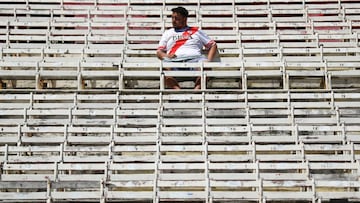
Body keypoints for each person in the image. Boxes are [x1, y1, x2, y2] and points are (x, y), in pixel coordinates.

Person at [156, 6, 218, 89]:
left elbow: (213, 45)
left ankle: (197, 92)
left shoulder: (196, 31)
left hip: (195, 60)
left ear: (184, 19)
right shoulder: (168, 33)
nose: (173, 20)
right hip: (175, 61)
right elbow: (159, 52)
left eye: (176, 18)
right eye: (172, 18)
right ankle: (178, 92)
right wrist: (167, 56)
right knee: (163, 69)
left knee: (206, 66)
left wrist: (209, 60)